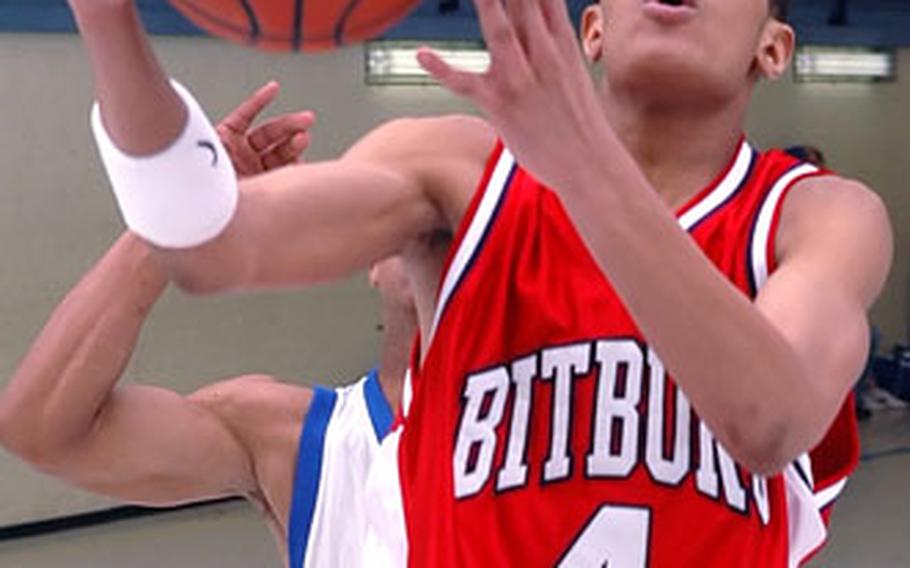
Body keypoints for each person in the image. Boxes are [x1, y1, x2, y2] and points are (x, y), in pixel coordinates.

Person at [66, 0, 892, 566]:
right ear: (594, 31)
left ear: (773, 47)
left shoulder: (814, 218)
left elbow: (770, 419)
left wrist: (581, 158)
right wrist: (106, 21)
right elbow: (205, 245)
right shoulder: (458, 173)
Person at [0, 84, 414, 568]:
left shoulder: (526, 434)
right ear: (371, 260)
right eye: (420, 209)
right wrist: (184, 211)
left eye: (465, 207)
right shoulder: (294, 439)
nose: (445, 231)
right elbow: (43, 428)